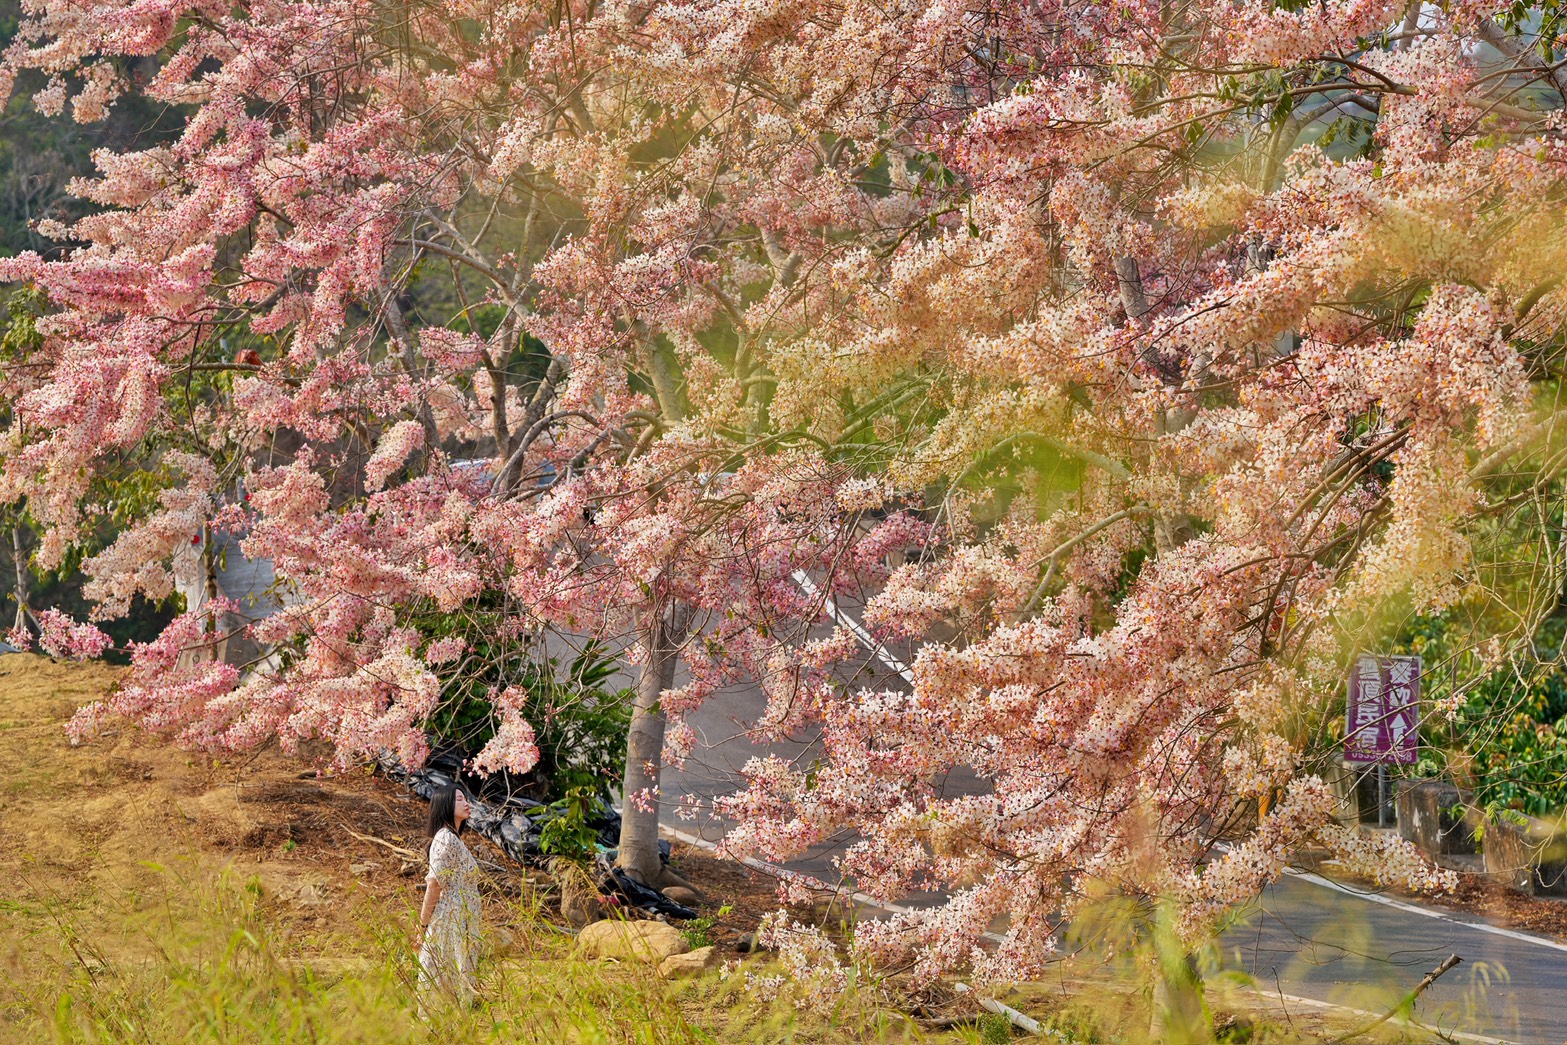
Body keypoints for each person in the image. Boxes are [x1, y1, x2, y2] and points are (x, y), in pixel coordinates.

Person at [417, 784, 482, 1007]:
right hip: (451, 921)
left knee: (456, 981)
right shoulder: (445, 838)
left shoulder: (453, 838)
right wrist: (423, 927)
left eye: (466, 798)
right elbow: (435, 883)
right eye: (460, 799)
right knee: (447, 980)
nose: (467, 803)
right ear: (445, 805)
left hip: (461, 921)